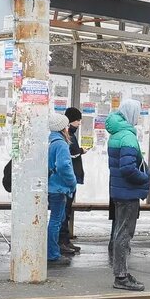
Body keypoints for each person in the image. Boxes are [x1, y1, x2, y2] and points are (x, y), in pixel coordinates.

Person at [105, 100, 150, 290]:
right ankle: (121, 277)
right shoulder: (128, 137)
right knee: (124, 234)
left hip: (118, 190)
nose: (138, 117)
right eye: (137, 113)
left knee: (119, 232)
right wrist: (144, 178)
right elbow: (128, 168)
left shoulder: (116, 134)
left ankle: (121, 273)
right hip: (128, 192)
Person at [47, 113, 78, 268]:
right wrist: (72, 182)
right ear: (62, 128)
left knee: (55, 220)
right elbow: (64, 166)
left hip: (51, 186)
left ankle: (51, 251)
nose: (68, 128)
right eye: (66, 125)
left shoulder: (50, 141)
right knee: (56, 221)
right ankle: (52, 254)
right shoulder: (61, 144)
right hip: (59, 188)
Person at [59, 107, 86, 256]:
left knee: (66, 211)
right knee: (64, 211)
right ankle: (61, 241)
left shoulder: (69, 134)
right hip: (68, 180)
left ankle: (65, 240)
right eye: (77, 120)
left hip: (71, 178)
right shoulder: (66, 135)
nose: (79, 123)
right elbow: (71, 154)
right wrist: (80, 151)